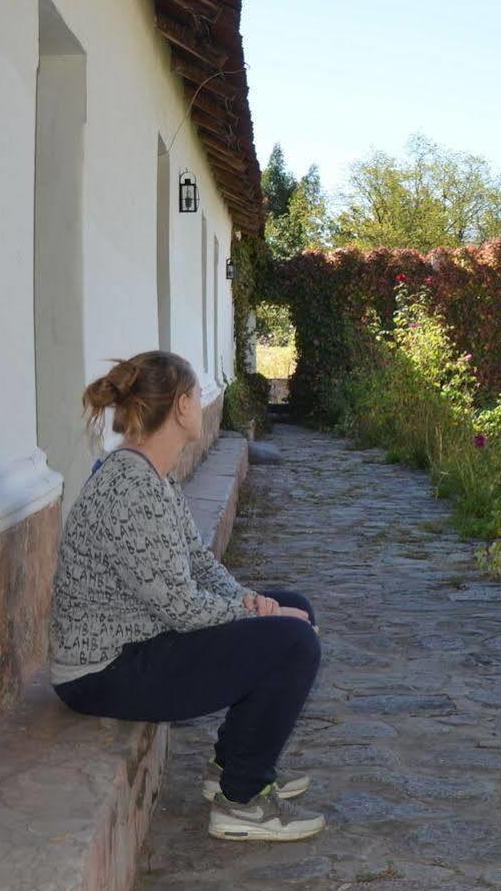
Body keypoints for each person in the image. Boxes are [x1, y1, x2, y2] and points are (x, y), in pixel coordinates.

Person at [48, 351, 324, 843]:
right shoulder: (131, 487)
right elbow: (181, 607)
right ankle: (242, 802)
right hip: (103, 673)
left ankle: (233, 767)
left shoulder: (152, 475)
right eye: (197, 395)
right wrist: (256, 615)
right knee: (294, 643)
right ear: (180, 406)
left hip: (136, 646)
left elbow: (197, 563)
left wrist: (254, 602)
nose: (201, 404)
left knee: (293, 608)